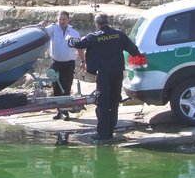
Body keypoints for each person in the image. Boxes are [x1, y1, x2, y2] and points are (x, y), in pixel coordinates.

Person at [67, 13, 140, 142]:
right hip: (117, 73)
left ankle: (102, 134)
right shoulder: (119, 35)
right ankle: (110, 131)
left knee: (103, 103)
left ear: (97, 24)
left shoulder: (94, 37)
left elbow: (78, 44)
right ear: (107, 22)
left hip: (104, 74)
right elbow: (134, 50)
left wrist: (69, 39)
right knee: (114, 101)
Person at [40, 11, 85, 119]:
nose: (61, 21)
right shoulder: (53, 28)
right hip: (56, 63)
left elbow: (79, 48)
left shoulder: (74, 33)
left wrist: (83, 61)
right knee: (56, 87)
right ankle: (59, 111)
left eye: (64, 19)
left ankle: (65, 112)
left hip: (69, 63)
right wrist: (41, 26)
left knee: (66, 87)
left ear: (68, 20)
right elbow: (43, 32)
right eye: (60, 19)